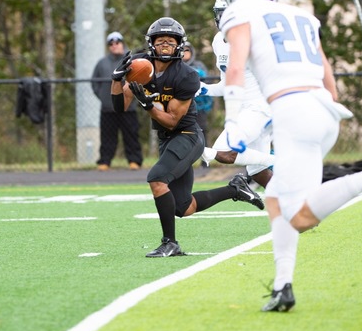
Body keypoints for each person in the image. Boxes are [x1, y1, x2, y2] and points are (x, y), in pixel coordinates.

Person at [219, 0, 362, 312]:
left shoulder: (241, 14)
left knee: (300, 217)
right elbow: (329, 81)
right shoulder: (300, 15)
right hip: (322, 110)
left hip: (293, 111)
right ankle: (283, 286)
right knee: (276, 199)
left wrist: (235, 123)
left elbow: (235, 69)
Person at [111, 17, 265, 258]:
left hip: (187, 135)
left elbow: (172, 120)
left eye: (170, 41)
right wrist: (117, 80)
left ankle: (169, 243)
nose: (164, 45)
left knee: (157, 179)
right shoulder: (142, 68)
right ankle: (235, 189)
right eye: (160, 41)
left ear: (179, 45)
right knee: (184, 208)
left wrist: (148, 105)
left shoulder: (186, 76)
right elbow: (120, 107)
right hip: (166, 139)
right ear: (151, 44)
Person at [199, 0, 274, 188]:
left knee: (222, 150)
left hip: (259, 109)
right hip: (245, 110)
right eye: (222, 14)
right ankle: (298, 204)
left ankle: (277, 161)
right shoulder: (218, 41)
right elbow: (227, 84)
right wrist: (205, 89)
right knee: (258, 173)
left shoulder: (253, 40)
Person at [90, 31, 143, 171]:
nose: (114, 46)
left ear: (122, 43)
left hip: (128, 108)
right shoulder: (102, 63)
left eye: (117, 42)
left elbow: (141, 79)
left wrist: (134, 99)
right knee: (107, 136)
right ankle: (105, 161)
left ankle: (134, 161)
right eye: (111, 44)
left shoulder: (131, 61)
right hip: (108, 109)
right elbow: (94, 84)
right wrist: (104, 97)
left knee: (131, 135)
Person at [182, 42, 212, 145]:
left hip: (199, 105)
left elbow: (207, 83)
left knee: (201, 129)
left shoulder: (199, 66)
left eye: (187, 50)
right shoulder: (175, 66)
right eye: (183, 50)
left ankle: (205, 157)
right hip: (181, 103)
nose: (185, 53)